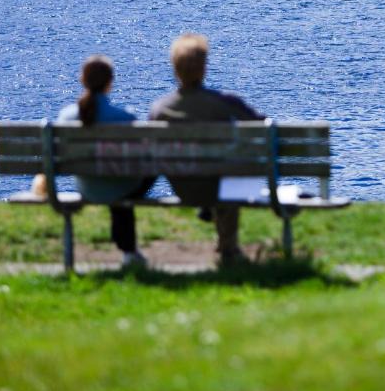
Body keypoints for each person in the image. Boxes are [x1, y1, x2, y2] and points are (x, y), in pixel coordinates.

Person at [149, 33, 263, 267]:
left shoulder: (160, 109)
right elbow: (261, 125)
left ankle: (217, 228)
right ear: (204, 68)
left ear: (175, 68)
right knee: (232, 164)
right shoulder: (223, 102)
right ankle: (228, 247)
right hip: (220, 187)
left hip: (183, 185)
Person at [53, 55, 150, 267]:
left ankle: (129, 251)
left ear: (83, 80)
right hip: (121, 187)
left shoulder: (66, 118)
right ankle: (129, 252)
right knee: (134, 173)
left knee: (110, 175)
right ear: (110, 83)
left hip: (87, 187)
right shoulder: (124, 118)